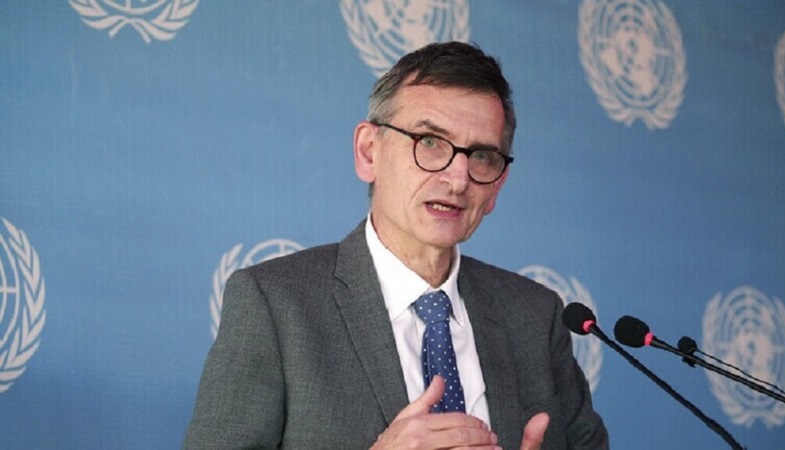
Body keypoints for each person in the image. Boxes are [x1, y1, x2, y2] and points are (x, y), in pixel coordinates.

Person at [183, 41, 608, 449]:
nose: (457, 179)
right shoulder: (276, 304)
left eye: (481, 155)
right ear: (369, 152)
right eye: (430, 142)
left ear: (497, 185)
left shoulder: (535, 316)